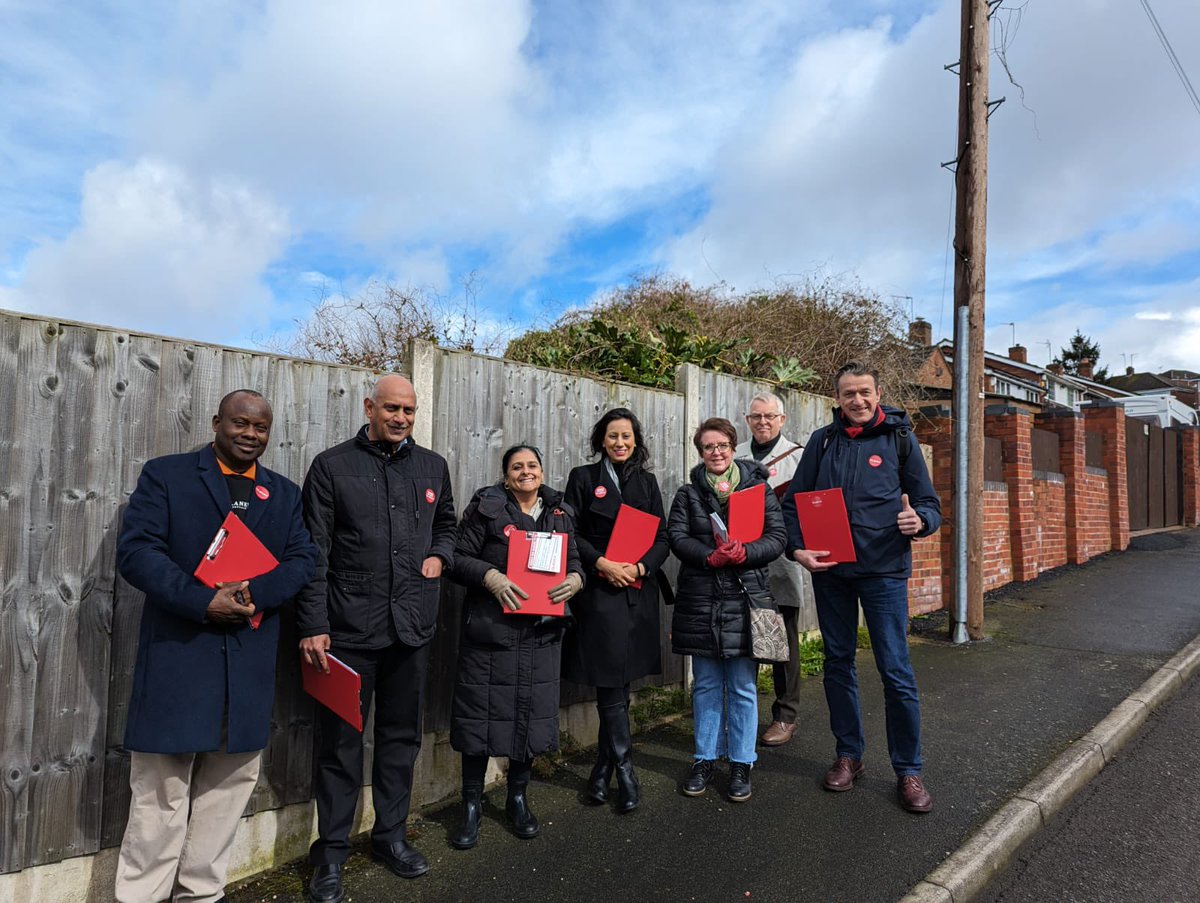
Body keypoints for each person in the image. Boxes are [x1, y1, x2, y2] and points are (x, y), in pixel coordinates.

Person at [114, 389, 317, 903]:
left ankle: (201, 894)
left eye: (261, 427)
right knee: (160, 795)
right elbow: (137, 552)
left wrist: (252, 595)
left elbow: (302, 561)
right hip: (178, 658)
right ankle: (141, 896)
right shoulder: (166, 476)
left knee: (227, 792)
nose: (250, 434)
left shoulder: (286, 494)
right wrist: (203, 601)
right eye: (240, 423)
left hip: (247, 666)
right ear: (216, 422)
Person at [297, 374, 457, 903]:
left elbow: (448, 525)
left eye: (409, 411)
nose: (401, 419)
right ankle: (332, 854)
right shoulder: (331, 466)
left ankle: (390, 836)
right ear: (370, 406)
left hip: (411, 628)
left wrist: (441, 556)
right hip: (347, 632)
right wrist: (314, 624)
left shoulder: (433, 466)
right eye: (392, 408)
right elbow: (313, 552)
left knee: (400, 739)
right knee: (340, 746)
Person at [780, 361, 942, 814]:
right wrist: (798, 550)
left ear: (878, 392)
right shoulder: (823, 441)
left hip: (884, 571)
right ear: (838, 399)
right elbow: (794, 503)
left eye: (865, 392)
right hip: (831, 571)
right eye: (848, 394)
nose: (857, 401)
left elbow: (929, 503)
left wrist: (920, 521)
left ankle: (908, 770)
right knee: (838, 664)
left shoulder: (900, 438)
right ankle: (849, 755)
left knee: (896, 671)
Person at [447, 444, 585, 849]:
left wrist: (577, 581)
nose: (526, 472)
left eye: (533, 465)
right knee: (478, 719)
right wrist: (491, 576)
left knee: (529, 716)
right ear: (506, 476)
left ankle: (517, 798)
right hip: (492, 634)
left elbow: (574, 561)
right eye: (517, 467)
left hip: (541, 635)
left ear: (541, 472)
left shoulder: (559, 514)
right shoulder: (487, 509)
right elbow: (455, 557)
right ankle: (471, 804)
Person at [668, 417, 786, 803]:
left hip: (746, 598)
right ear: (700, 452)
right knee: (704, 685)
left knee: (741, 686)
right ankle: (704, 757)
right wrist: (710, 557)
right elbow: (677, 538)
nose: (715, 453)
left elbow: (777, 538)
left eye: (722, 446)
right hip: (700, 598)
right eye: (707, 447)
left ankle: (741, 761)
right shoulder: (688, 494)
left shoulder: (759, 489)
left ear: (733, 448)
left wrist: (745, 553)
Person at [562, 408, 671, 813]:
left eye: (626, 436)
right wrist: (601, 564)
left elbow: (663, 536)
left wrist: (641, 567)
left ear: (636, 441)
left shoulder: (647, 482)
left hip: (637, 590)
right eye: (612, 436)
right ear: (601, 441)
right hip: (600, 591)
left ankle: (601, 769)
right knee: (610, 679)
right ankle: (625, 770)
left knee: (621, 682)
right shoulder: (583, 478)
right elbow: (569, 532)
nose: (620, 443)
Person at [734, 391, 808, 748]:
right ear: (748, 421)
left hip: (782, 562)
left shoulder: (800, 458)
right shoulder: (736, 458)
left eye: (769, 416)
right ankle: (741, 711)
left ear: (782, 419)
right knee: (745, 637)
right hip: (744, 560)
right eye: (756, 416)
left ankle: (785, 715)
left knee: (783, 641)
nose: (762, 422)